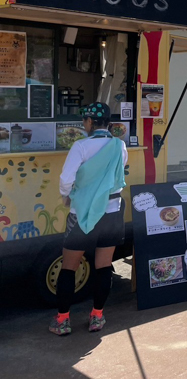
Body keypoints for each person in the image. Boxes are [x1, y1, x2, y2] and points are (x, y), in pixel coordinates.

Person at [49, 102, 127, 336]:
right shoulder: (119, 145)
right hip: (112, 212)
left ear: (90, 122)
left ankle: (62, 320)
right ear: (108, 124)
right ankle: (97, 317)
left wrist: (67, 197)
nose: (84, 125)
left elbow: (66, 180)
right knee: (104, 266)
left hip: (81, 215)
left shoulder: (80, 146)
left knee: (69, 268)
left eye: (85, 121)